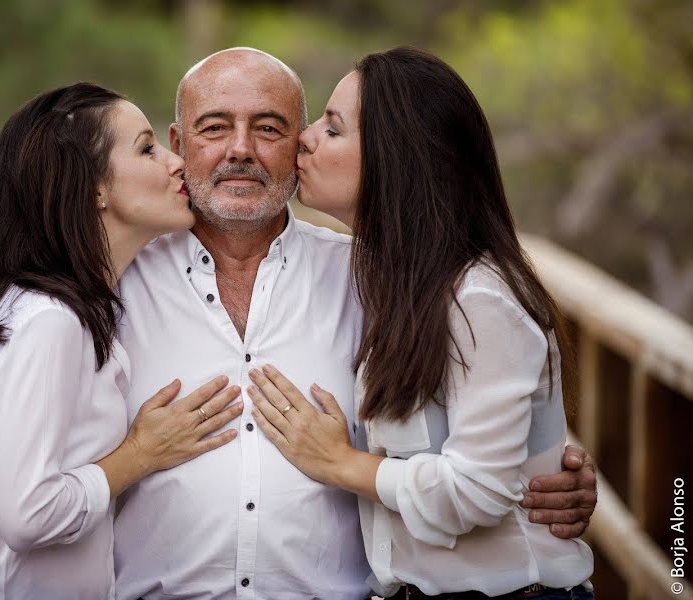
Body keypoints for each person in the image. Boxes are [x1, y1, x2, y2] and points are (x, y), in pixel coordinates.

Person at [0, 49, 598, 599]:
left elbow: (483, 419)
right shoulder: (103, 281)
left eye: (269, 128)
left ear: (297, 148)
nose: (241, 149)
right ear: (176, 145)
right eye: (213, 128)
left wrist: (545, 471)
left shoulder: (379, 282)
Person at [247, 47, 595, 598]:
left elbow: (479, 490)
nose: (304, 139)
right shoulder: (385, 285)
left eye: (333, 129)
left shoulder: (480, 298)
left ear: (398, 158)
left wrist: (340, 463)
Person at [0, 82, 243, 600]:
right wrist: (139, 454)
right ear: (92, 188)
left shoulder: (34, 299)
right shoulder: (50, 320)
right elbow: (25, 515)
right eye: (147, 148)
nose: (177, 164)